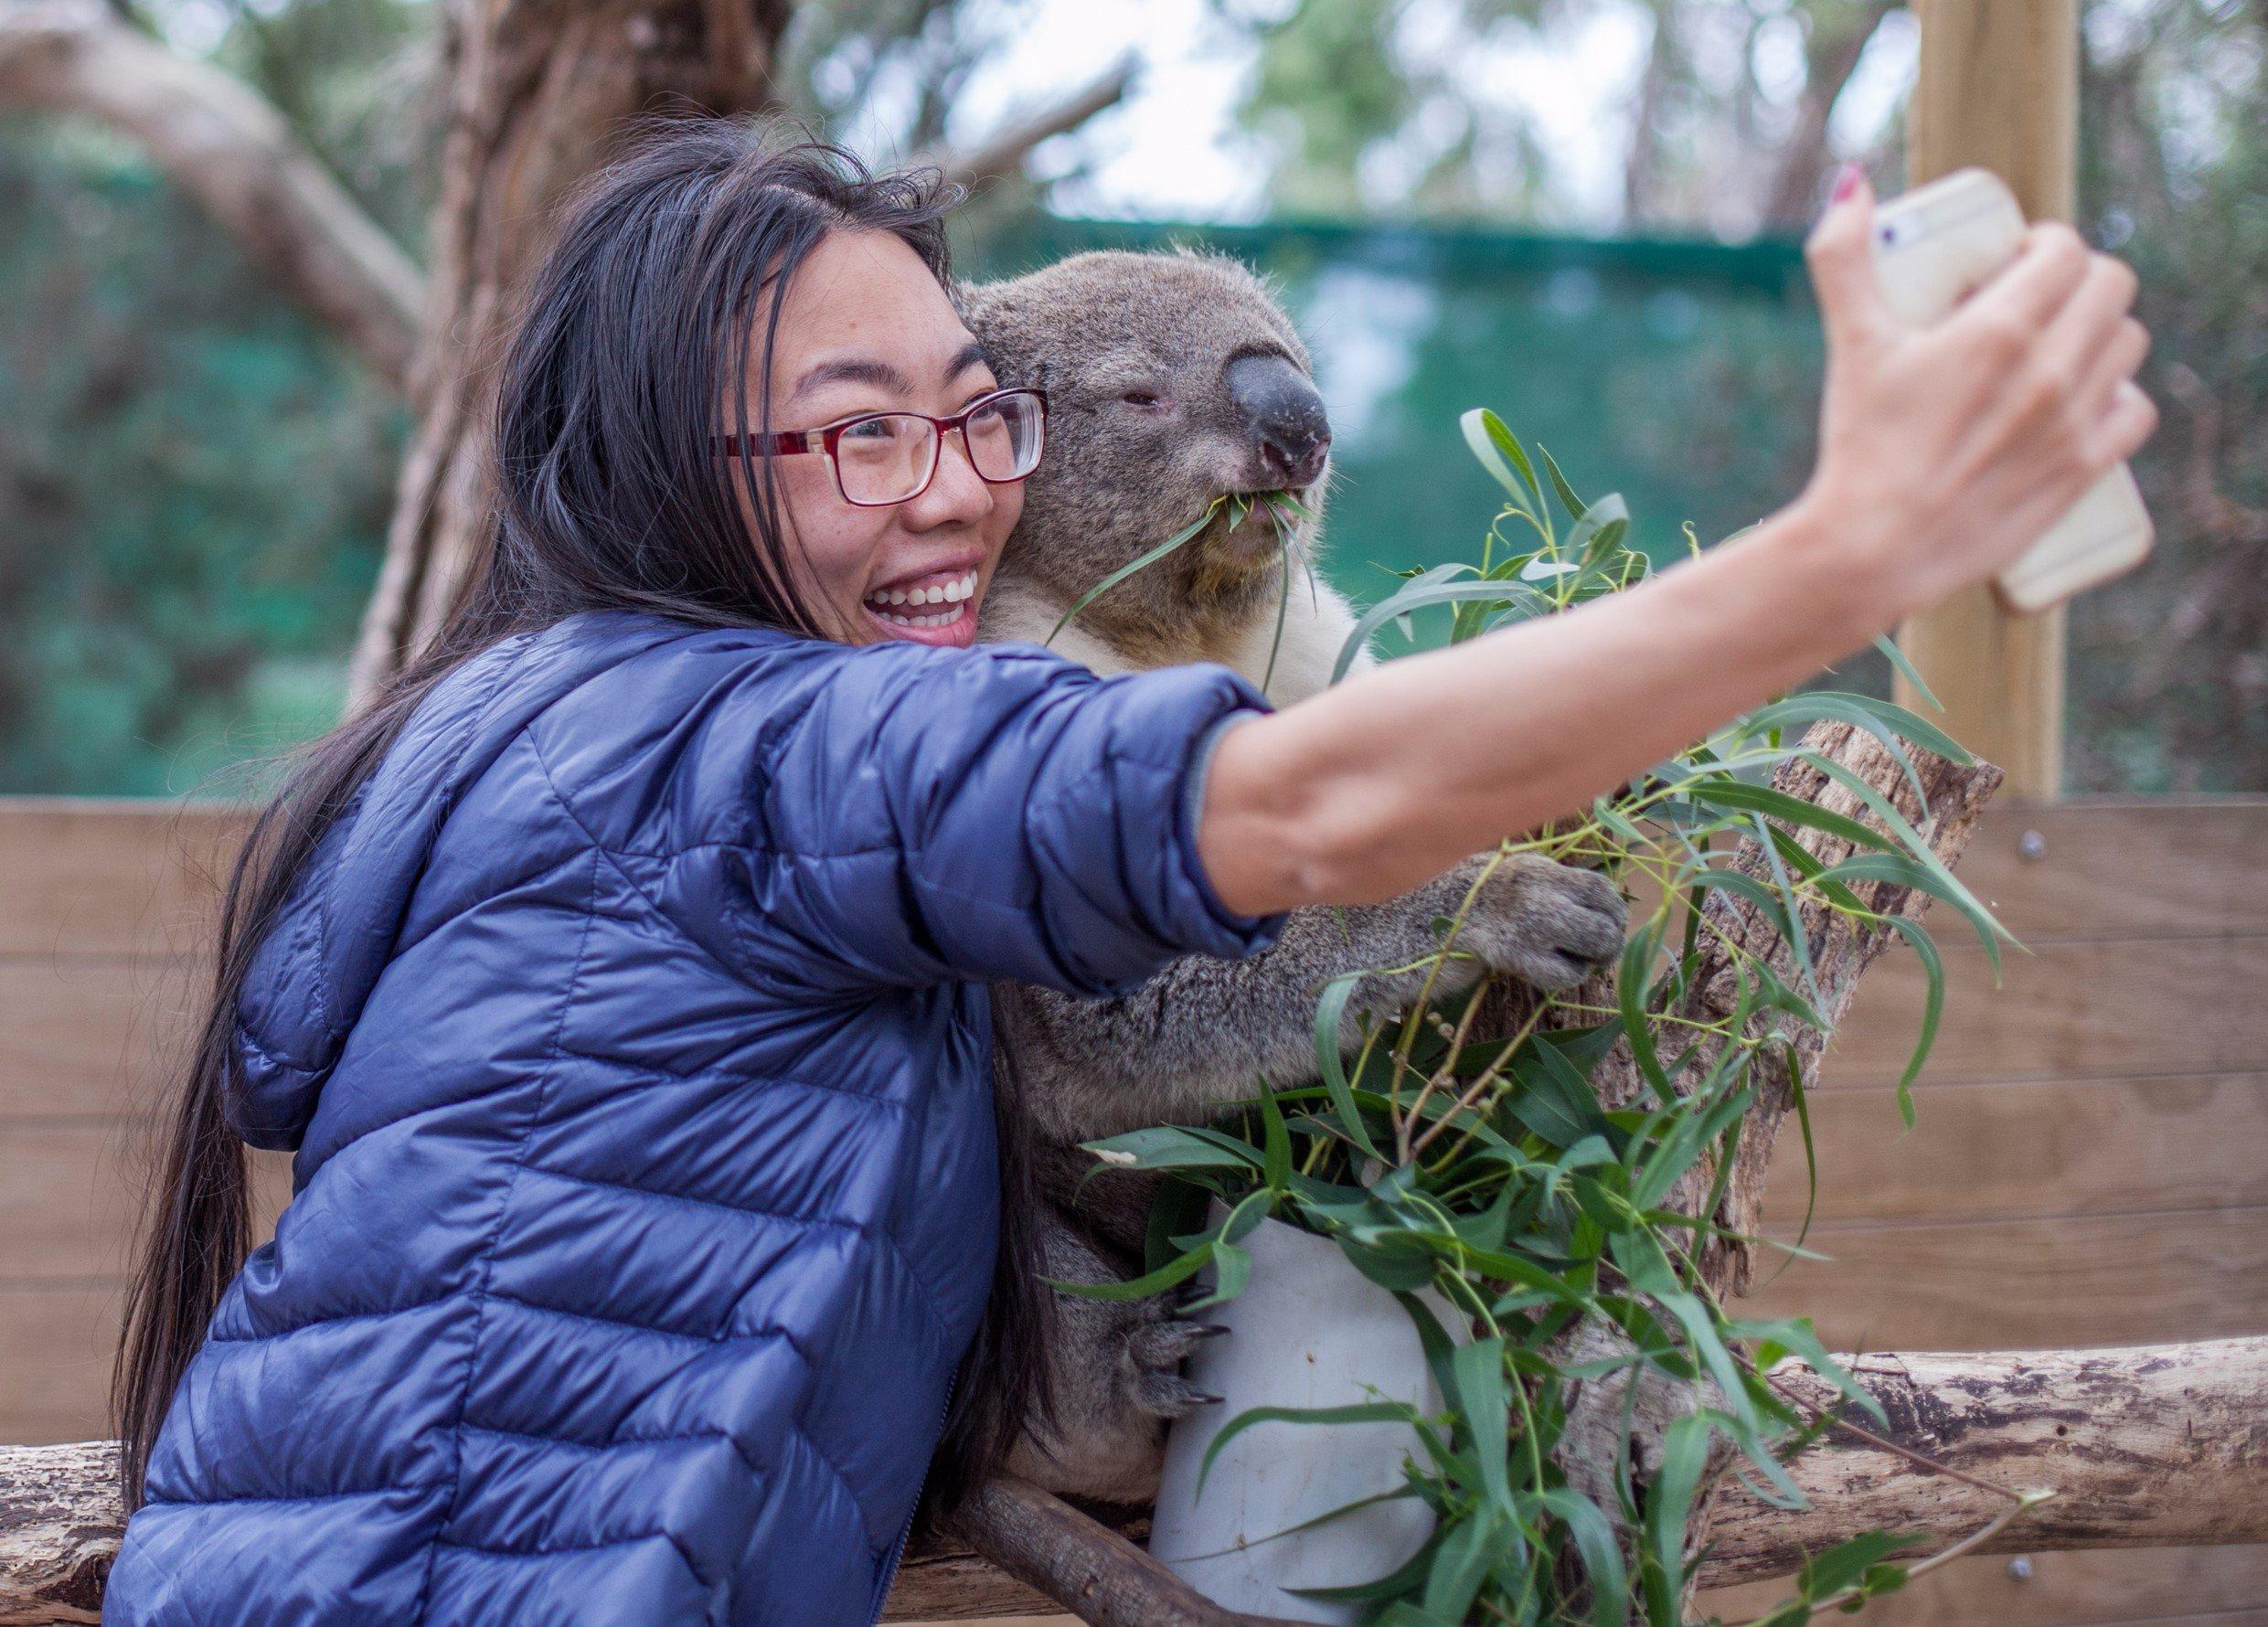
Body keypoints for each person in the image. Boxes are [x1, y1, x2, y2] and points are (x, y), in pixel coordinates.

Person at [101, 118, 2154, 1626]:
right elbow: (1280, 820)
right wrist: (1847, 555)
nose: (947, 494)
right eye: (851, 434)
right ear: (662, 465)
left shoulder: (542, 726)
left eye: (967, 420)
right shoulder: (751, 743)